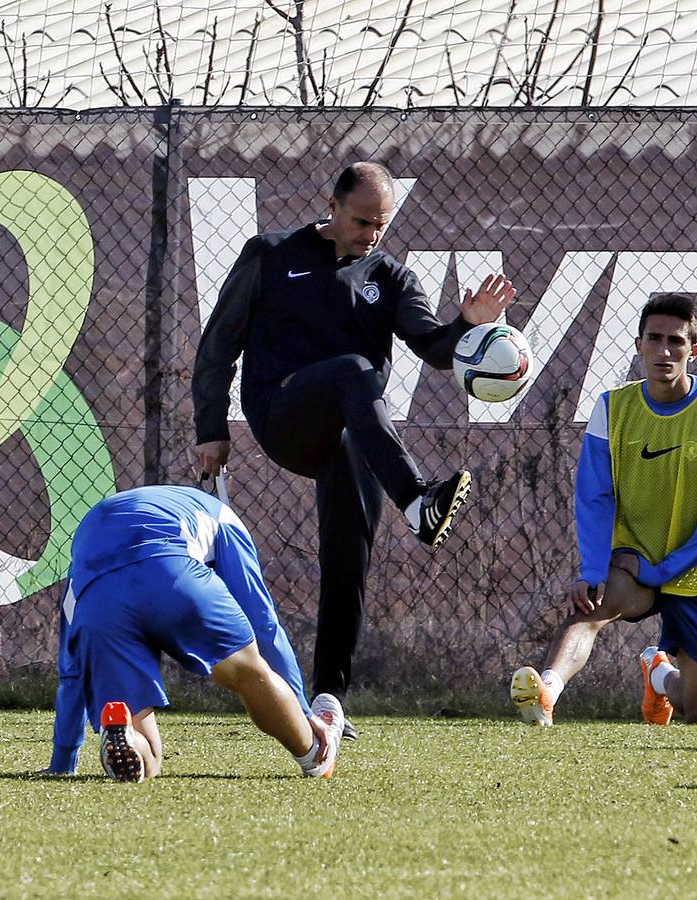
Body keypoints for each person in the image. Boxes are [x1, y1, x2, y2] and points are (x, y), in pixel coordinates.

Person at [191, 161, 515, 724]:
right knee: (353, 370)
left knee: (348, 561)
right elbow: (218, 344)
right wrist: (211, 431)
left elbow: (434, 350)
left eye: (381, 225)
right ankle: (416, 500)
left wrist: (468, 323)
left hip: (351, 437)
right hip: (282, 414)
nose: (371, 234)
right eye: (362, 221)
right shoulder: (270, 255)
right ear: (333, 206)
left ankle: (327, 703)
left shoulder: (391, 277)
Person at [511, 293, 697, 726]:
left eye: (676, 341)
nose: (664, 351)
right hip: (635, 560)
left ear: (694, 350)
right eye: (654, 339)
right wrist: (593, 568)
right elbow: (594, 496)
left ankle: (659, 675)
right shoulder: (612, 407)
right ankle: (547, 691)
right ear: (638, 344)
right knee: (590, 608)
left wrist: (664, 571)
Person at [44, 485, 345, 782]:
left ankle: (127, 735)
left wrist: (63, 760)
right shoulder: (224, 518)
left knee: (149, 757)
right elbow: (263, 622)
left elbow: (71, 673)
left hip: (99, 604)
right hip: (172, 575)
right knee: (249, 671)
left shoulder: (83, 561)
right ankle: (315, 756)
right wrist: (303, 709)